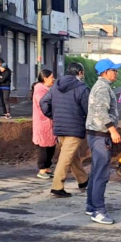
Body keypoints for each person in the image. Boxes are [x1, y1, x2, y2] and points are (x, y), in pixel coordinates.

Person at [40, 62, 90, 197]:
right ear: (79, 73)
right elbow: (88, 110)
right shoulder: (82, 88)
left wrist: (52, 115)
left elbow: (43, 102)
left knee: (71, 155)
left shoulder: (56, 86)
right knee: (65, 158)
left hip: (60, 126)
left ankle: (83, 180)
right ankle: (57, 187)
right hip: (75, 127)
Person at [85, 59, 121, 225]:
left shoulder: (103, 86)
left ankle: (91, 206)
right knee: (101, 174)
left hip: (97, 134)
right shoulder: (102, 88)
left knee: (96, 172)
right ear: (105, 72)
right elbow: (101, 110)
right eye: (114, 70)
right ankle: (99, 211)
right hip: (101, 134)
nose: (116, 73)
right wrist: (112, 130)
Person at [33, 69, 56, 179]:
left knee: (50, 147)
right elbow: (44, 105)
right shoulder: (40, 90)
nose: (53, 79)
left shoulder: (47, 89)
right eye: (51, 77)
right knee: (44, 148)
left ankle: (47, 168)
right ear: (45, 78)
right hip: (43, 122)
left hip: (49, 122)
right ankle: (42, 169)